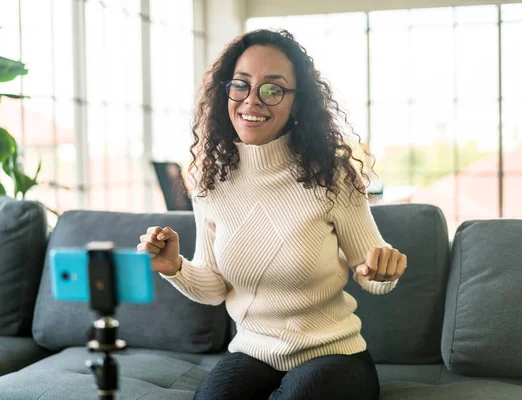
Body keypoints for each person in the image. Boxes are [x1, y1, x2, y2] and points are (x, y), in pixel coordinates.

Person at [138, 29, 407, 400]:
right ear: (225, 91)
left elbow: (373, 273)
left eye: (272, 89)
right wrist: (175, 267)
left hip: (334, 354)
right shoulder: (209, 181)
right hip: (253, 353)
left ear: (297, 103)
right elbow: (216, 287)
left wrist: (383, 269)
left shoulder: (331, 176)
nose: (252, 100)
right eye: (241, 85)